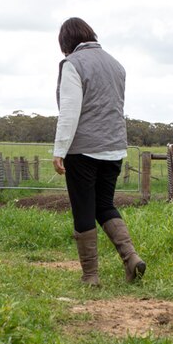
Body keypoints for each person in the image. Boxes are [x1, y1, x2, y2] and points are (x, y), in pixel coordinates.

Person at [52, 17, 146, 287]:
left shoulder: (73, 64)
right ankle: (131, 258)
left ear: (67, 43)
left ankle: (91, 276)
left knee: (83, 209)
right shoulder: (116, 64)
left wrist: (60, 150)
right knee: (105, 205)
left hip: (83, 151)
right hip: (115, 148)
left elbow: (69, 112)